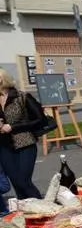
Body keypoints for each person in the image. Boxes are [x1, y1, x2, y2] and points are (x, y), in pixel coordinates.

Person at [0, 69, 43, 200]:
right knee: (17, 184)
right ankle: (27, 214)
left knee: (24, 181)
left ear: (2, 79)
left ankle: (42, 208)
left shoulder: (22, 97)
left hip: (25, 143)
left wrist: (13, 127)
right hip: (4, 147)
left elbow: (40, 119)